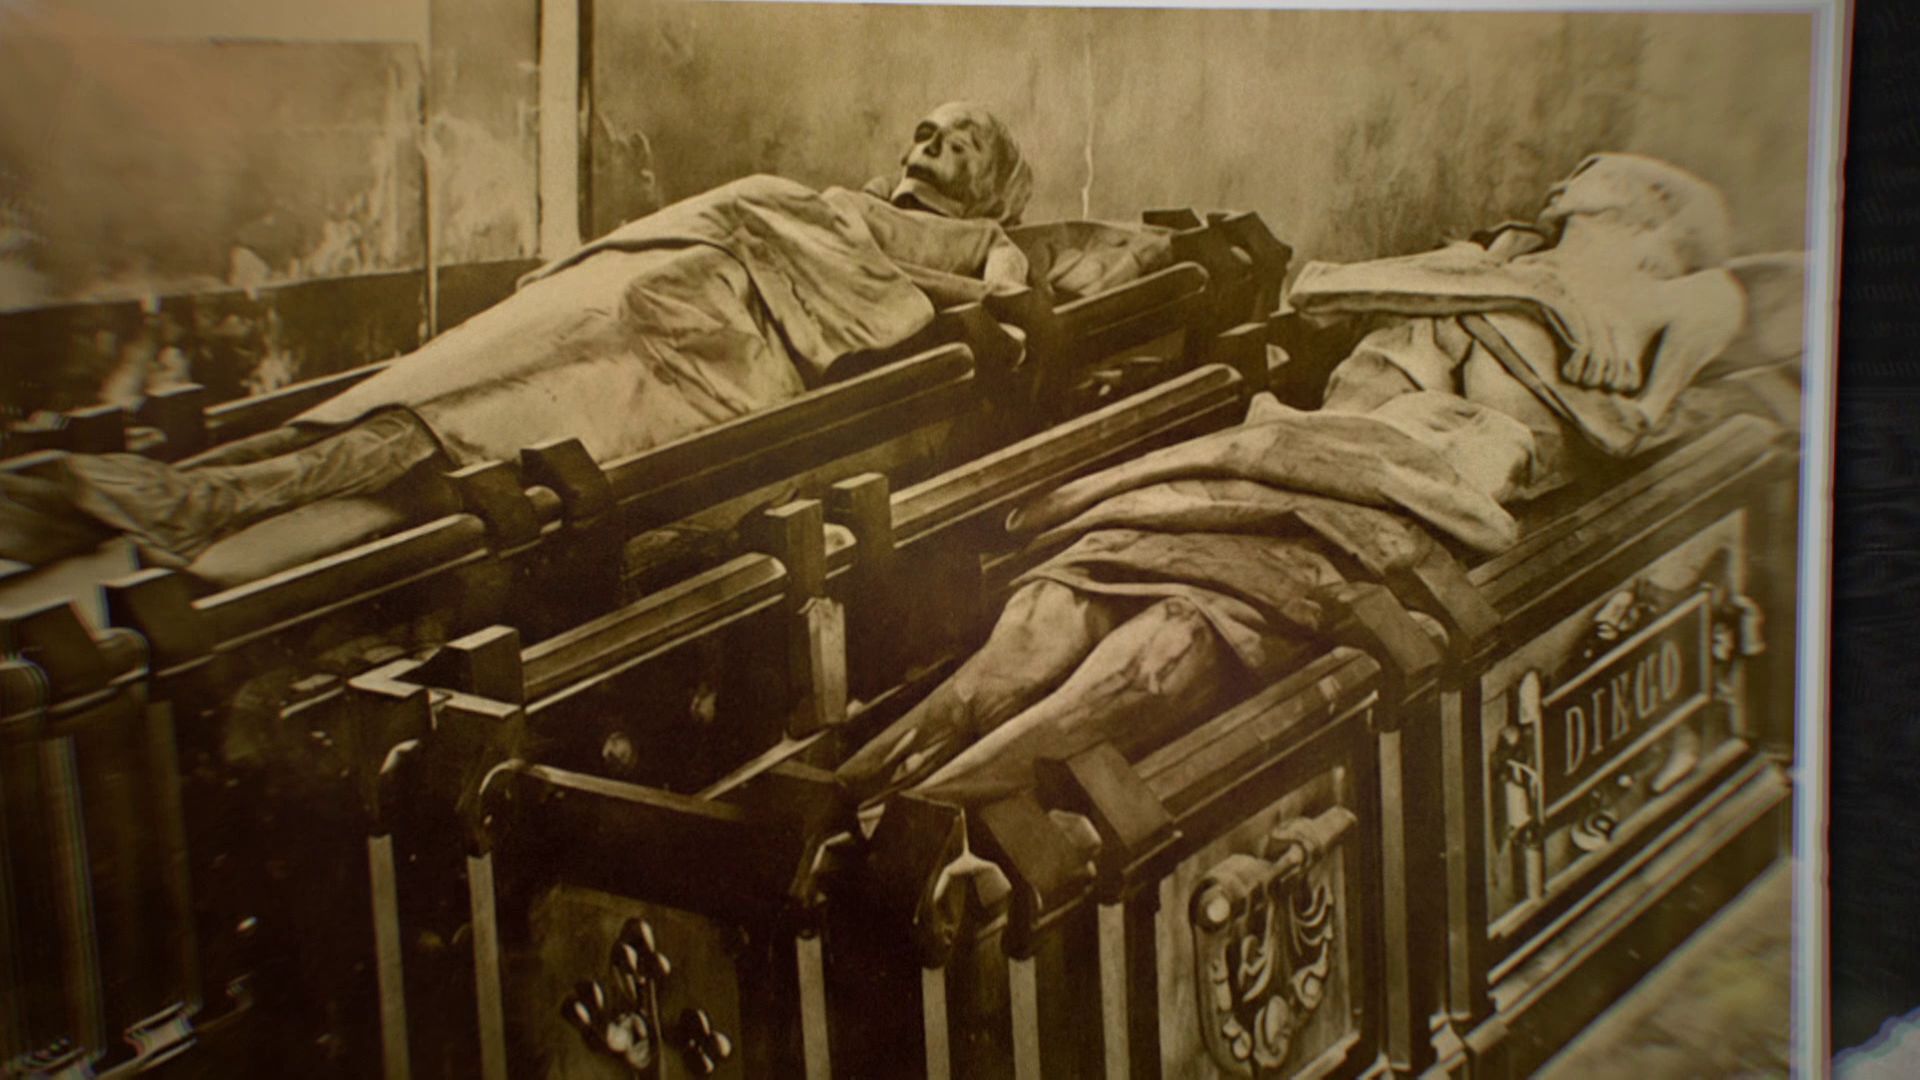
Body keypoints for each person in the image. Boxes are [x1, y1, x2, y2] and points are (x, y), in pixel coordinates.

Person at [835, 153, 1785, 815]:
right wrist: (1529, 287)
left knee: (1174, 638)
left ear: (1649, 220)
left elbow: (1659, 401)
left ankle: (917, 813)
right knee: (1066, 598)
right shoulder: (1486, 274)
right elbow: (1321, 286)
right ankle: (855, 788)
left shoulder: (1674, 302)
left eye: (1597, 187)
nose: (1570, 192)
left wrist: (1597, 325)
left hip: (1410, 498)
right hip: (1296, 453)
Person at [0, 103, 1039, 571]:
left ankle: (183, 502)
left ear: (991, 183)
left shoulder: (964, 237)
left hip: (697, 346)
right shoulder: (832, 199)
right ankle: (167, 489)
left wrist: (956, 285)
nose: (931, 146)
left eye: (963, 142)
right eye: (925, 130)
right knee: (427, 387)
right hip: (650, 277)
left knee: (450, 426)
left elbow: (995, 292)